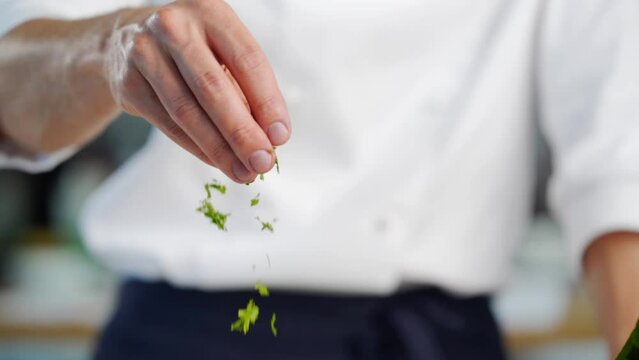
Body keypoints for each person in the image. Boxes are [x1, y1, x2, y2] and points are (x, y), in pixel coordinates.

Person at [1, 0, 638, 358]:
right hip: (188, 339)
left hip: (435, 343)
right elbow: (11, 92)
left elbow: (620, 181)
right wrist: (109, 49)